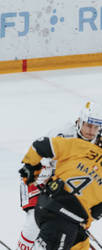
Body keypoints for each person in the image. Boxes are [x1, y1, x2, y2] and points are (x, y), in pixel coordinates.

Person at [17, 101, 102, 250]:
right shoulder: (63, 133)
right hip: (41, 177)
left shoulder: (97, 142)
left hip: (65, 188)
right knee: (32, 224)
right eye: (88, 125)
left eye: (95, 127)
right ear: (79, 120)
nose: (90, 131)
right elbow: (39, 156)